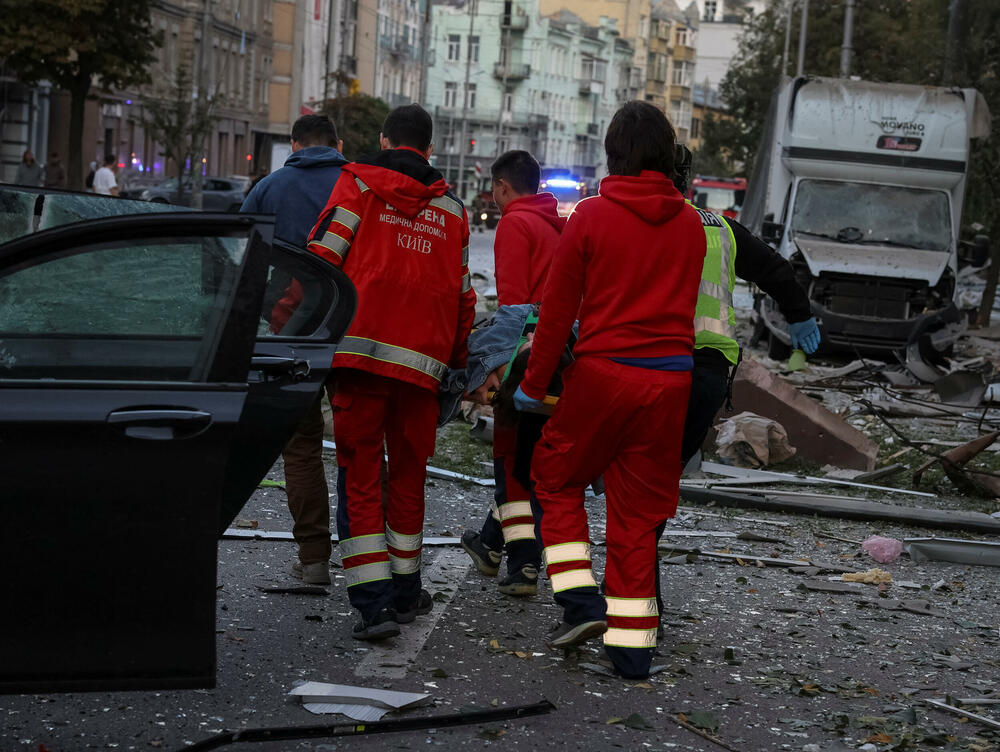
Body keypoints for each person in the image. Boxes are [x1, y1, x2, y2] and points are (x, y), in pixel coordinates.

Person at [512, 101, 705, 680]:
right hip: (671, 380)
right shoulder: (693, 222)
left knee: (554, 476)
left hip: (604, 374)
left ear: (613, 153)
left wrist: (532, 385)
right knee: (638, 513)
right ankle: (632, 649)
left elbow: (556, 315)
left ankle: (579, 602)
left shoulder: (591, 217)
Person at [306, 104, 476, 640]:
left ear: (384, 140)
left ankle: (375, 606)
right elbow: (464, 296)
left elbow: (321, 262)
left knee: (360, 477)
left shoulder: (357, 185)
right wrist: (456, 362)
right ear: (429, 148)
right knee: (408, 478)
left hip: (358, 361)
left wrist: (285, 323)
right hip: (422, 369)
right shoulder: (452, 210)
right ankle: (406, 593)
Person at [240, 114, 348, 586]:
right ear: (337, 144)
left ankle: (313, 558)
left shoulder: (270, 186)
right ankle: (374, 564)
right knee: (360, 445)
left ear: (293, 145)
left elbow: (243, 254)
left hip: (292, 331)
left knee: (301, 446)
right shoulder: (359, 186)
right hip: (355, 329)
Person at [461, 149, 566, 597]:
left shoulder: (514, 225)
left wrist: (498, 372)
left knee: (511, 463)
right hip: (563, 358)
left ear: (503, 187)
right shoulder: (559, 226)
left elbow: (514, 309)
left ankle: (523, 564)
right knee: (530, 459)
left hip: (525, 357)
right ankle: (489, 543)